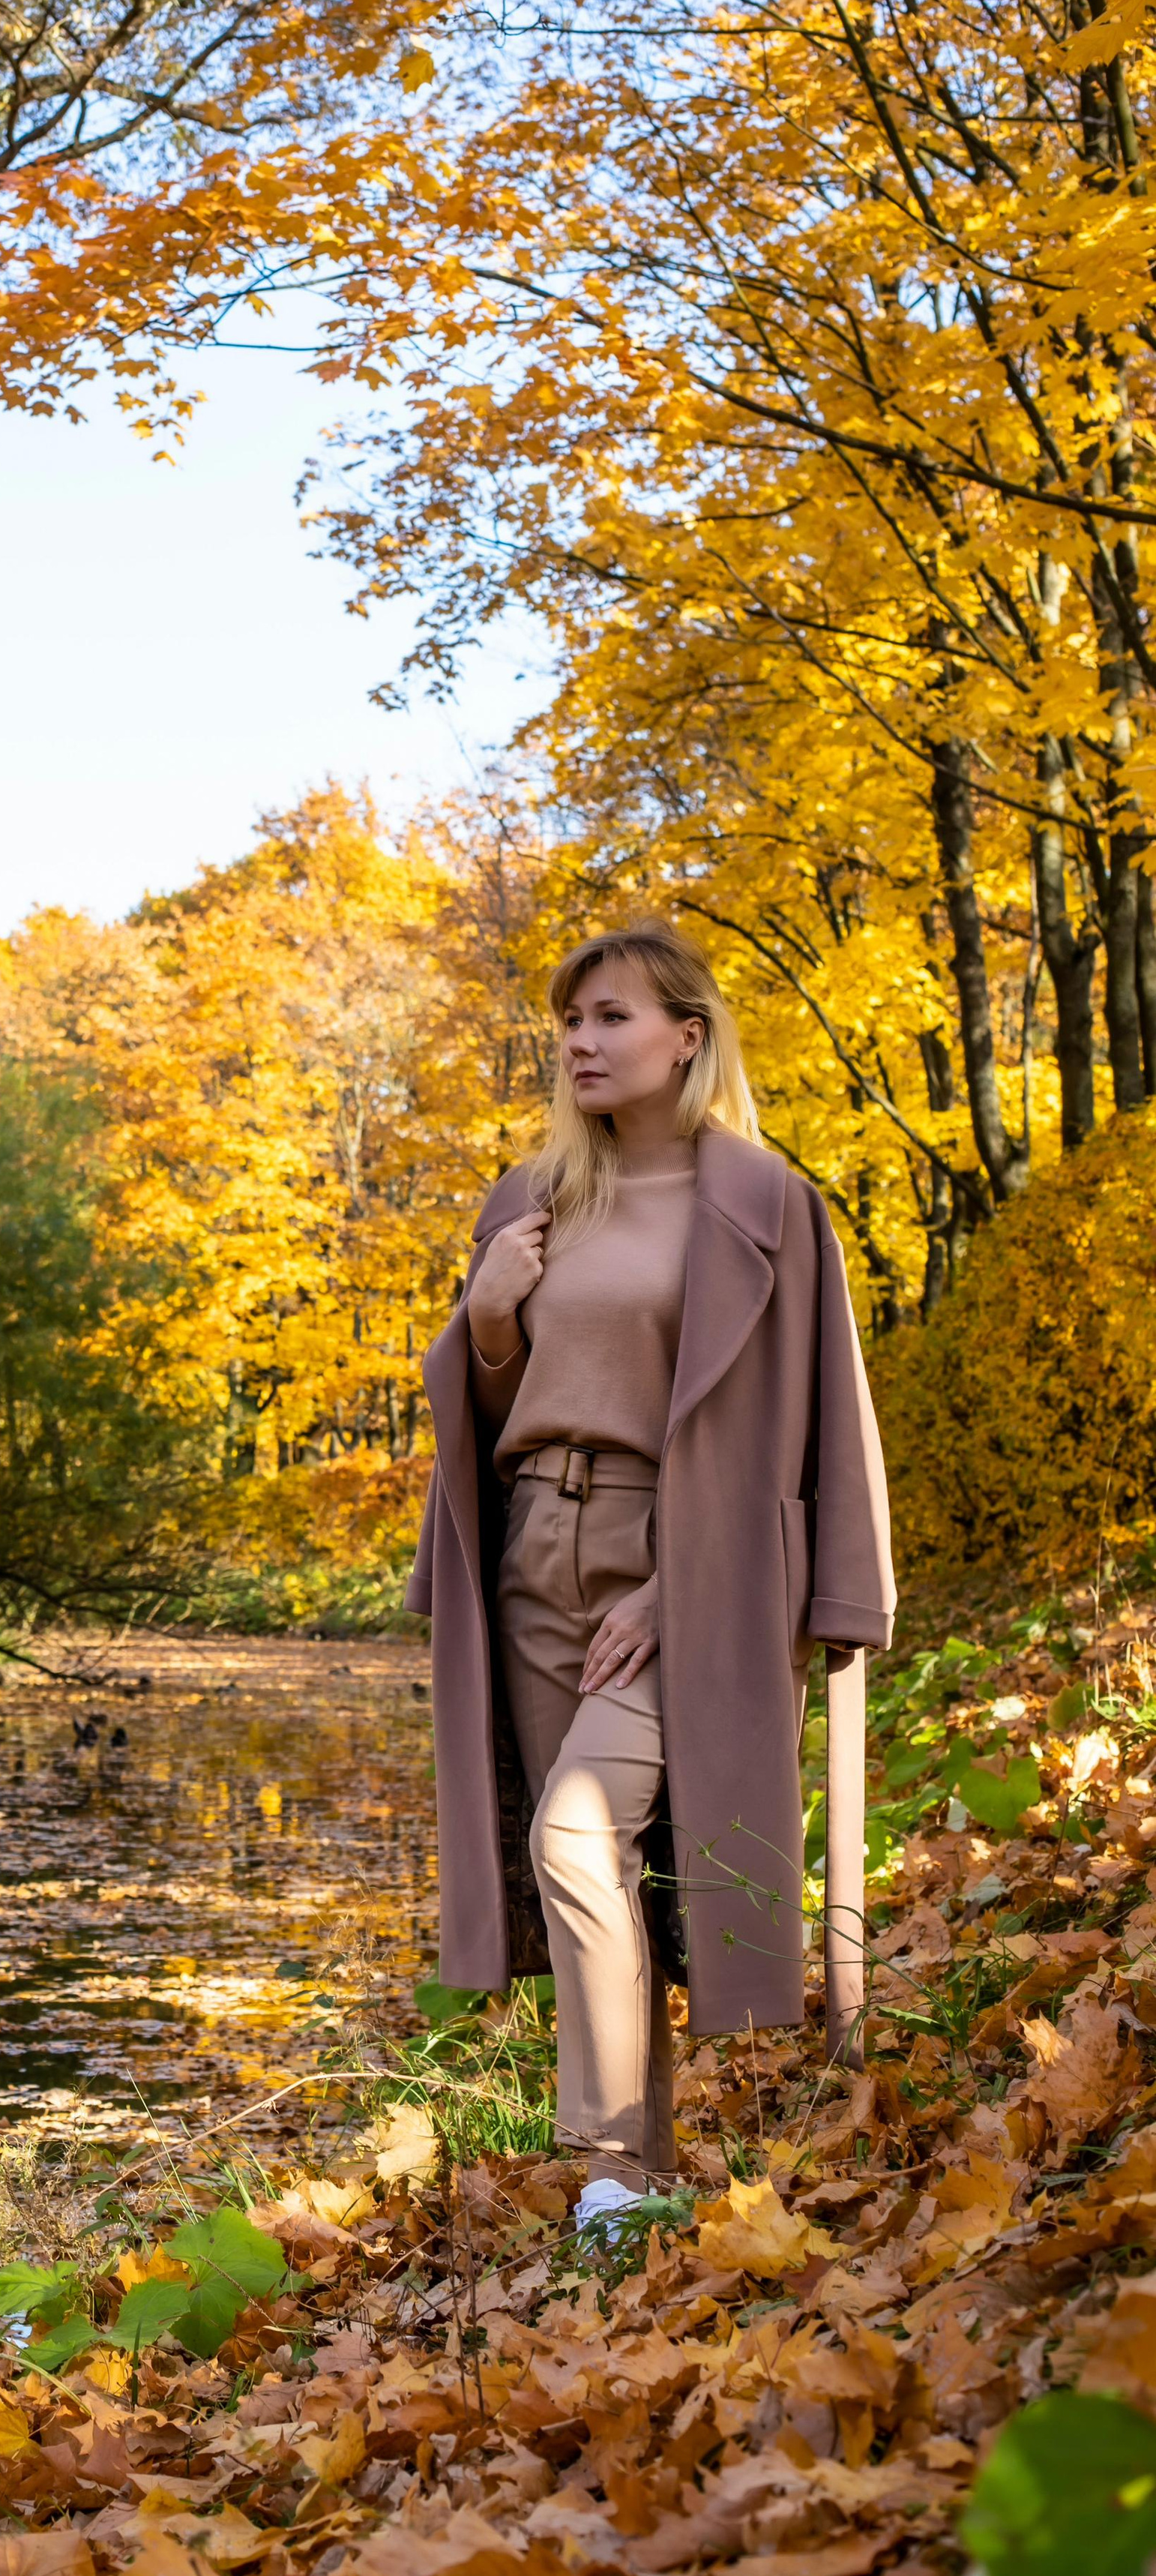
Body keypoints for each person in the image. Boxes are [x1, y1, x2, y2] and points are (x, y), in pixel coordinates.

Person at [406, 924, 894, 2216]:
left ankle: (605, 2177)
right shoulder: (529, 1200)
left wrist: (686, 1589)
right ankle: (640, 2182)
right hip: (534, 1563)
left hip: (688, 1572)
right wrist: (493, 1314)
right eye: (568, 1021)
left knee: (574, 1835)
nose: (579, 1041)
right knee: (598, 1873)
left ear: (689, 1033)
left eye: (610, 1016)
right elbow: (495, 1412)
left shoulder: (767, 1204)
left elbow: (815, 1420)